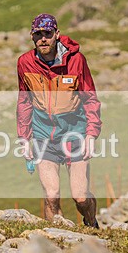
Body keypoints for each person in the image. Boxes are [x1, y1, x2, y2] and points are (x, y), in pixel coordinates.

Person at [16, 13, 102, 227]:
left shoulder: (76, 61)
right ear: (32, 37)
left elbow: (90, 98)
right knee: (52, 194)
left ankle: (91, 223)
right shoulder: (25, 63)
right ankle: (57, 239)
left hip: (75, 134)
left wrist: (91, 134)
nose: (43, 39)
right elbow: (24, 102)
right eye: (38, 34)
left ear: (57, 34)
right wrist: (24, 138)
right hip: (44, 136)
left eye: (47, 33)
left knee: (80, 197)